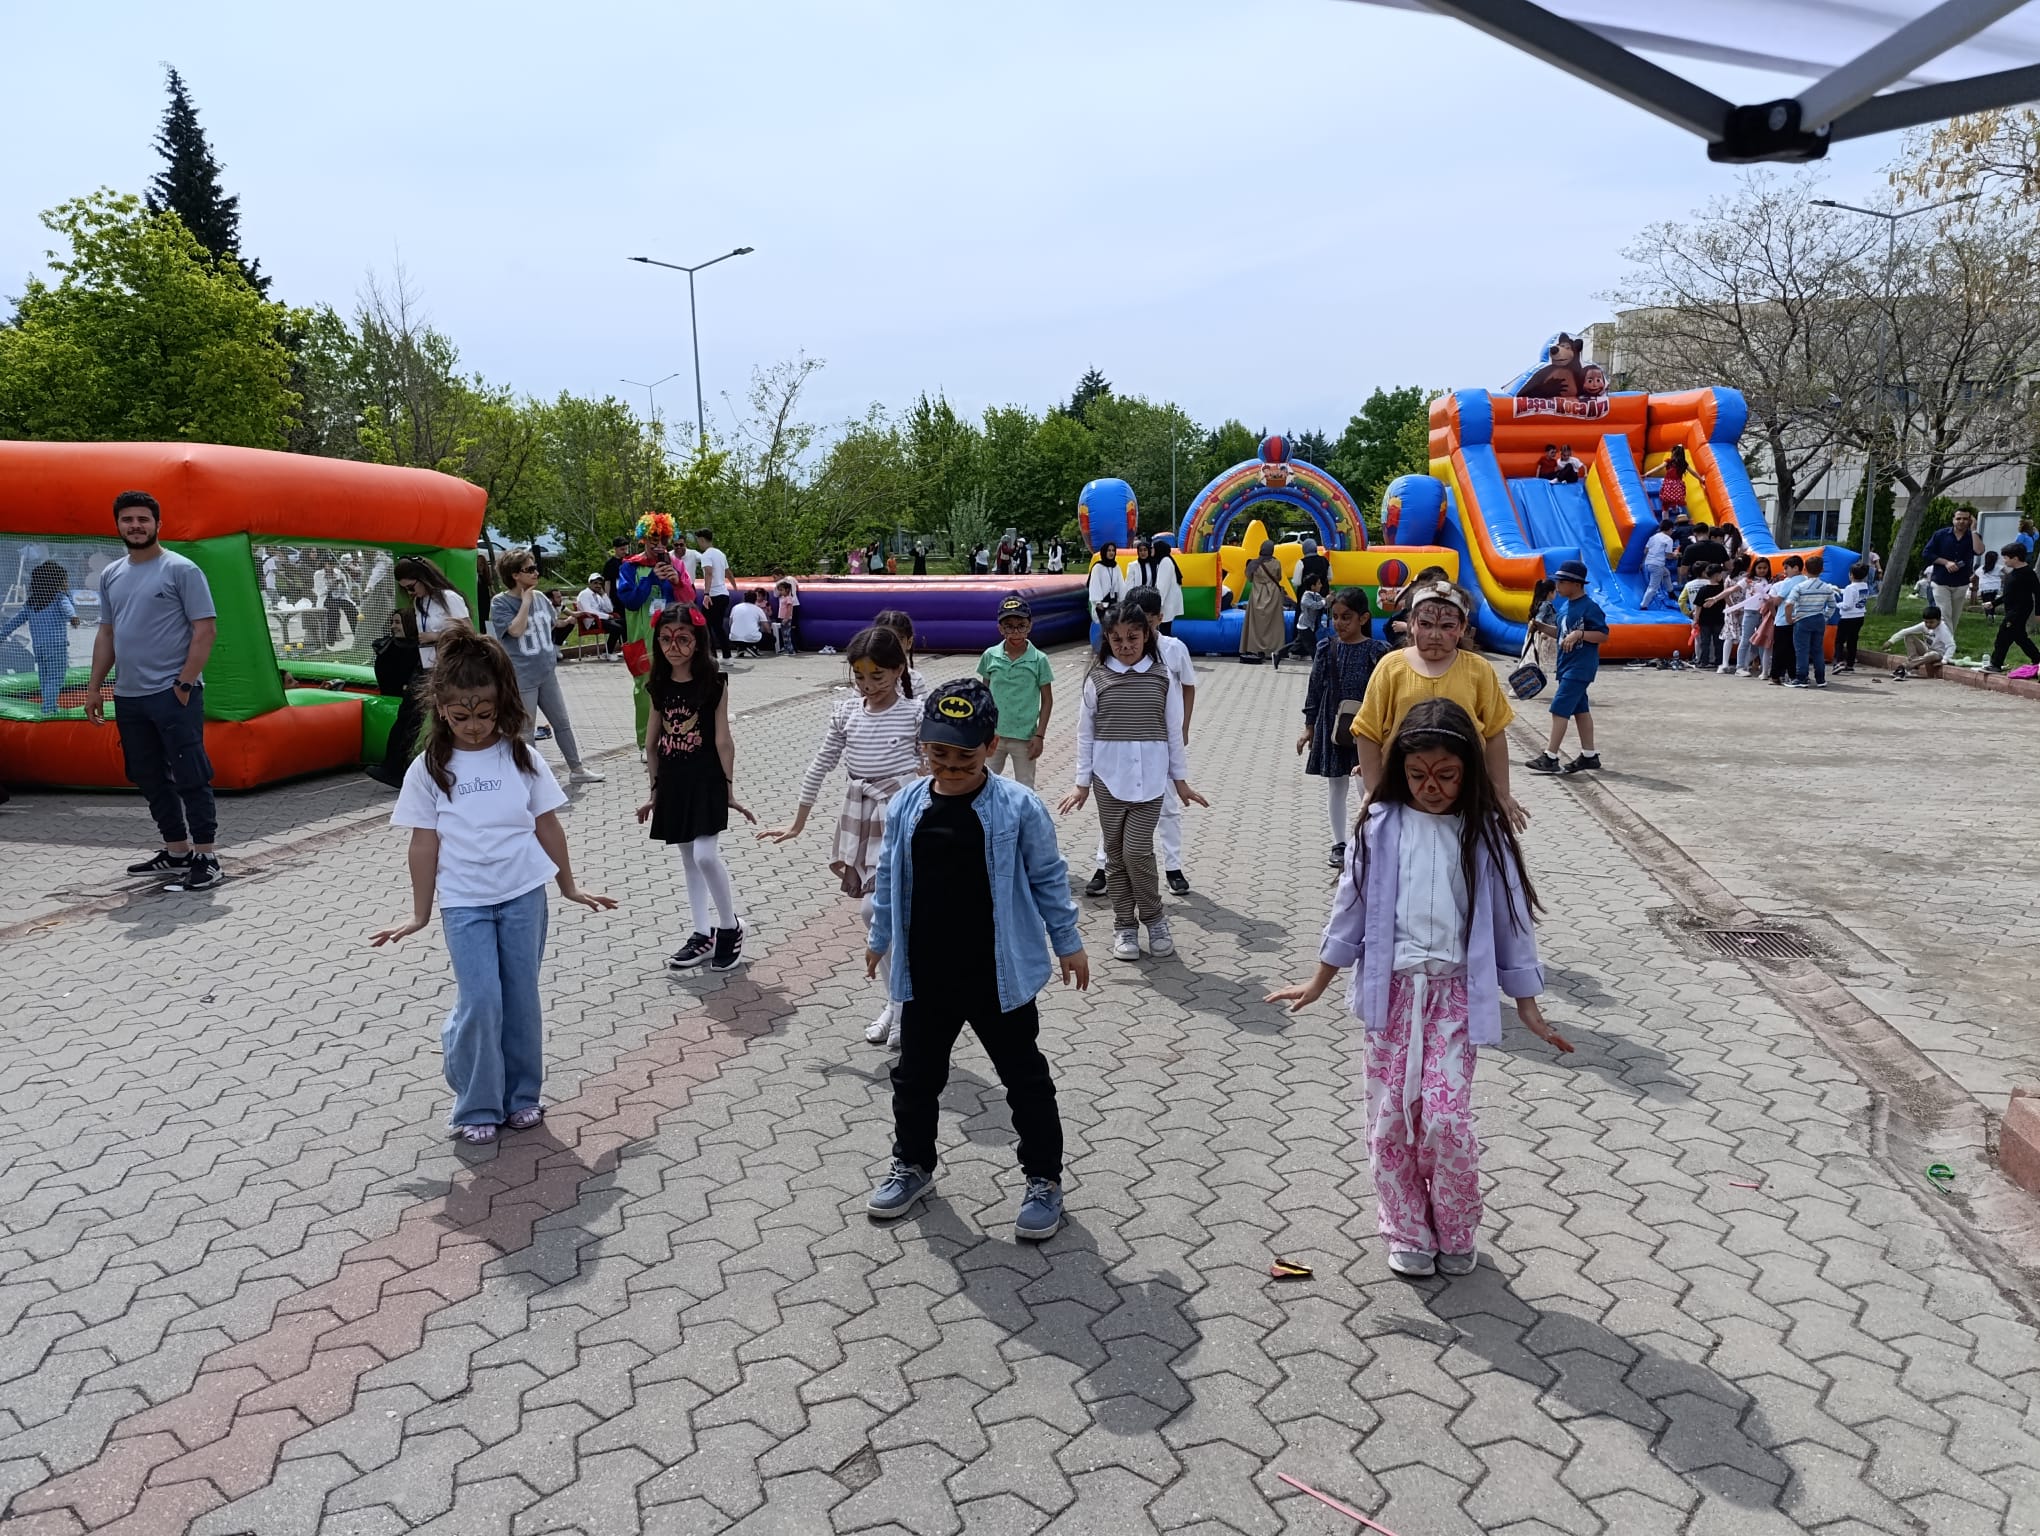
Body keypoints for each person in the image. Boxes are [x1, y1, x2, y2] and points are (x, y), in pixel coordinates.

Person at [1267, 698, 1571, 1278]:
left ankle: (1455, 1226)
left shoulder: (1485, 832)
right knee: (1390, 1120)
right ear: (1399, 770)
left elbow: (1512, 922)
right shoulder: (1380, 826)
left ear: (1469, 771)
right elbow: (1350, 907)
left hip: (1455, 999)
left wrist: (1528, 1007)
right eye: (1417, 775)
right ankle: (1407, 1228)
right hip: (1392, 998)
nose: (1431, 787)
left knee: (1446, 1119)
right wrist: (1319, 979)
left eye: (1447, 775)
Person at [371, 629, 616, 1144]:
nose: (474, 726)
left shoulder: (521, 756)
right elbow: (423, 844)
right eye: (461, 716)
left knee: (520, 998)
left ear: (501, 703)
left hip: (524, 894)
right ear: (441, 708)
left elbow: (548, 825)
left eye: (484, 714)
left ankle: (522, 1096)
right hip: (465, 903)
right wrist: (419, 913)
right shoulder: (429, 768)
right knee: (482, 1000)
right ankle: (476, 1102)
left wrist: (568, 886)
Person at [864, 677, 1088, 1237]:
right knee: (915, 1079)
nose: (950, 768)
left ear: (990, 746)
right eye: (937, 754)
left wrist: (1068, 941)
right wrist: (879, 936)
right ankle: (913, 1164)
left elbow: (1049, 877)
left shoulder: (1018, 806)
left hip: (998, 974)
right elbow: (888, 875)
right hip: (927, 972)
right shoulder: (907, 804)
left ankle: (1044, 1179)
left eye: (964, 757)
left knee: (1025, 1079)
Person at [759, 626, 923, 1048]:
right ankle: (896, 1003)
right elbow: (820, 764)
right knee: (876, 914)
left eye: (878, 676)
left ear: (898, 670)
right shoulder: (847, 711)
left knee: (881, 912)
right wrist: (797, 822)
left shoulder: (914, 713)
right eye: (860, 676)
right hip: (861, 816)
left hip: (902, 815)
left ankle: (907, 1004)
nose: (868, 685)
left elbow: (936, 768)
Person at [84, 492, 223, 888]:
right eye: (127, 520)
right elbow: (107, 633)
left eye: (143, 519)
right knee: (147, 775)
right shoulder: (112, 574)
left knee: (190, 773)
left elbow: (205, 630)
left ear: (158, 524)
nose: (135, 526)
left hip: (172, 693)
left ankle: (207, 856)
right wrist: (95, 687)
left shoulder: (181, 570)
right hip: (129, 696)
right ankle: (176, 851)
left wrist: (184, 683)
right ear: (117, 525)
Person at [1059, 601, 1208, 960]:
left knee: (1136, 852)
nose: (1125, 645)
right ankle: (1124, 924)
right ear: (1107, 639)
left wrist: (1181, 781)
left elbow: (1173, 732)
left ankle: (1154, 919)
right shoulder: (1096, 678)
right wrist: (1081, 783)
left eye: (1133, 637)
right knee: (1115, 856)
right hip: (1107, 783)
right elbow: (1085, 733)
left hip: (1152, 784)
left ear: (1147, 636)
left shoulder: (1161, 677)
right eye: (1117, 639)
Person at [1353, 580, 1528, 832]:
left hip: (1464, 790)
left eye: (1447, 626)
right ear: (1411, 624)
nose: (1435, 635)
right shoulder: (1390, 667)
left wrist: (1501, 792)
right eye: (1425, 624)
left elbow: (1494, 734)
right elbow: (1367, 731)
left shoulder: (1478, 669)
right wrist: (1373, 790)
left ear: (1463, 628)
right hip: (1403, 789)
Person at [638, 604, 754, 971]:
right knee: (689, 859)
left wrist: (729, 789)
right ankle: (702, 933)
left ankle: (730, 927)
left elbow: (723, 740)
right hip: (673, 782)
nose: (673, 647)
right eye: (666, 639)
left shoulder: (714, 683)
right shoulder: (658, 684)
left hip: (706, 780)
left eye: (682, 639)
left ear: (697, 641)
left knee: (705, 855)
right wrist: (654, 791)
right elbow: (651, 744)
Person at [1082, 584, 1199, 898]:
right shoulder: (1113, 658)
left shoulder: (1174, 649)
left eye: (1147, 620)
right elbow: (1088, 723)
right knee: (1114, 809)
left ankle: (1173, 867)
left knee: (1168, 805)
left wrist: (1183, 727)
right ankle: (1103, 865)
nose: (1139, 628)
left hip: (1157, 742)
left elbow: (1188, 687)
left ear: (1158, 618)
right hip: (1122, 744)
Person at [490, 548, 603, 783]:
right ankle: (530, 779)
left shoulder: (541, 598)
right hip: (522, 677)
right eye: (530, 569)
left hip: (546, 673)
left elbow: (550, 624)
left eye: (535, 567)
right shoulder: (500, 602)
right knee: (526, 731)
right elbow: (515, 630)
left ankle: (577, 770)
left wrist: (567, 621)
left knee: (562, 722)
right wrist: (525, 602)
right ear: (514, 575)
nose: (536, 573)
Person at [1299, 587, 1391, 870]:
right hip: (1332, 722)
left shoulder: (1378, 651)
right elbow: (1315, 687)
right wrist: (1309, 726)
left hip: (1367, 727)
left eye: (1346, 617)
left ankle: (1369, 840)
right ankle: (1339, 843)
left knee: (1367, 784)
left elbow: (1388, 692)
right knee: (1336, 784)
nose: (1339, 623)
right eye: (1335, 617)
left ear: (1364, 618)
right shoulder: (1326, 648)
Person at [615, 513, 695, 747]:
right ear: (643, 539)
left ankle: (676, 738)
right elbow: (629, 601)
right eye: (653, 538)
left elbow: (689, 600)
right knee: (644, 691)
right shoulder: (630, 566)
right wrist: (650, 579)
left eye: (663, 539)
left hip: (672, 640)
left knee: (677, 686)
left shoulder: (676, 565)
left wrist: (678, 582)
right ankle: (646, 743)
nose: (659, 544)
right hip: (642, 640)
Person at [1523, 560, 1608, 775]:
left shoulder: (1590, 607)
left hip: (1580, 667)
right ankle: (1589, 755)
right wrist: (1541, 626)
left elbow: (1602, 635)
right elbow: (1561, 634)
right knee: (1581, 710)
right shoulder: (1565, 607)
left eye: (1562, 582)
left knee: (1559, 708)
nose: (1557, 586)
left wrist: (1580, 634)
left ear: (1576, 584)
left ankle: (1550, 756)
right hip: (1566, 665)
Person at [977, 593, 1054, 790]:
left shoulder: (1039, 659)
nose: (1015, 632)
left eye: (1021, 626)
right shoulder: (990, 655)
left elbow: (1047, 700)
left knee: (1025, 787)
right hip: (995, 735)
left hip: (1025, 738)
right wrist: (982, 731)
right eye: (1009, 627)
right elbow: (984, 695)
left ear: (1030, 626)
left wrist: (1039, 736)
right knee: (983, 783)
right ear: (1000, 628)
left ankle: (1023, 813)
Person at [1, 560, 79, 715]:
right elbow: (68, 607)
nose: (67, 583)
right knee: (56, 678)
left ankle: (49, 705)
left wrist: (2, 634)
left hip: (39, 647)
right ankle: (49, 708)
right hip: (56, 646)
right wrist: (73, 616)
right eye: (65, 581)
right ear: (57, 583)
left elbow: (16, 620)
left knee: (45, 677)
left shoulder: (32, 603)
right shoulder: (59, 597)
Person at [1783, 553, 1838, 689]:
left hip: (1802, 619)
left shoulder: (1800, 587)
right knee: (1817, 650)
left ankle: (1801, 678)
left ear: (1805, 569)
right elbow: (1832, 605)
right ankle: (1821, 679)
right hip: (1819, 619)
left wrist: (1789, 619)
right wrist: (1825, 617)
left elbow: (1788, 604)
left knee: (1802, 650)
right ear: (1822, 570)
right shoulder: (1827, 587)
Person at [1923, 508, 1984, 629]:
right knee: (1945, 614)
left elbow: (1979, 551)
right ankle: (1947, 640)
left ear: (1970, 520)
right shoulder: (1940, 535)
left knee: (1954, 616)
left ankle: (1944, 638)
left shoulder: (1973, 536)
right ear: (1953, 520)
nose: (1961, 521)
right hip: (1941, 581)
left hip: (1961, 582)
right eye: (1958, 518)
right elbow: (1927, 553)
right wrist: (1946, 562)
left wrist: (1973, 530)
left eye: (1965, 519)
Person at [1987, 543, 2040, 674]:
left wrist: (2038, 612)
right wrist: (1994, 603)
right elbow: (2008, 594)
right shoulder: (2013, 573)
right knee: (2020, 637)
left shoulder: (2028, 573)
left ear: (2015, 558)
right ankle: (2037, 659)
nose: (2004, 561)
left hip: (2020, 610)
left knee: (2003, 636)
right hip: (2011, 609)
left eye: (2006, 558)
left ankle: (1996, 664)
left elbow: (2038, 593)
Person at [1239, 539, 1293, 666]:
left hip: (1257, 594)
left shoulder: (1253, 564)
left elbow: (1249, 578)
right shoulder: (1276, 563)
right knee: (1274, 624)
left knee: (1256, 624)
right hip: (1273, 595)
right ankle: (1273, 649)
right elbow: (1279, 577)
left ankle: (1255, 648)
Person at [689, 529, 732, 661]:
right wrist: (734, 585)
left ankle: (711, 655)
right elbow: (728, 572)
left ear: (702, 539)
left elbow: (708, 573)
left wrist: (706, 593)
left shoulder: (706, 555)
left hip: (713, 595)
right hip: (724, 594)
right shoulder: (721, 554)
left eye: (698, 540)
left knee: (704, 625)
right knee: (718, 626)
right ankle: (726, 655)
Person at [873, 609, 932, 697]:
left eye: (898, 640)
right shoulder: (867, 675)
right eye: (884, 640)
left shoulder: (915, 680)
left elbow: (924, 706)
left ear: (909, 642)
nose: (891, 646)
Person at [1133, 536, 1185, 634]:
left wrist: (1157, 606)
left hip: (1166, 606)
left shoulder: (1165, 562)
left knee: (1164, 631)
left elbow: (1162, 587)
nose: (1151, 550)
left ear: (1159, 549)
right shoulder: (1165, 560)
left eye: (1153, 548)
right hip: (1167, 605)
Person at [1889, 607, 1955, 679]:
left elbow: (1951, 646)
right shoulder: (1923, 625)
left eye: (1931, 622)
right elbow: (1906, 631)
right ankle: (1914, 663)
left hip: (1938, 654)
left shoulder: (1943, 630)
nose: (1928, 625)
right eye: (1926, 622)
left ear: (1939, 620)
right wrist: (1891, 641)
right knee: (1909, 636)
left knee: (1931, 654)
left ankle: (1905, 667)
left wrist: (1944, 660)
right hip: (1927, 650)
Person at [1738, 557, 1776, 678]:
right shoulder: (1748, 580)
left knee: (1763, 641)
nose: (1762, 570)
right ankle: (1740, 667)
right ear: (1754, 568)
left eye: (1765, 568)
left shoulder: (1770, 581)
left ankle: (1765, 669)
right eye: (1759, 568)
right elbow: (1734, 589)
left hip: (1764, 614)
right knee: (1745, 640)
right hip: (1750, 612)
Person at [1834, 561, 1873, 674]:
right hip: (1859, 616)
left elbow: (1847, 605)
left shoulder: (1850, 588)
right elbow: (1853, 594)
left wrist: (1836, 604)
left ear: (1851, 575)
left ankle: (1839, 662)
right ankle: (1850, 664)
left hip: (1847, 618)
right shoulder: (1864, 586)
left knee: (1839, 641)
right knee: (1852, 640)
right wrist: (1839, 590)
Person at [575, 574, 624, 658]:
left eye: (600, 583)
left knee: (624, 622)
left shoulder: (597, 595)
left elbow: (609, 609)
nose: (598, 585)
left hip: (601, 620)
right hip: (591, 621)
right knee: (617, 627)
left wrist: (604, 595)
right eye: (595, 583)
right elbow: (589, 611)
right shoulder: (584, 594)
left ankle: (625, 648)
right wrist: (607, 616)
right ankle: (607, 652)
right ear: (590, 583)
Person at [1640, 519, 1678, 611]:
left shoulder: (1653, 537)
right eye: (1672, 530)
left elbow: (1645, 550)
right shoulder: (1668, 539)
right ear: (1670, 529)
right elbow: (1668, 555)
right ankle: (1643, 605)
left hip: (1648, 563)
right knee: (1653, 587)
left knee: (1666, 573)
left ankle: (1670, 591)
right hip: (1657, 564)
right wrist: (1675, 555)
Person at [1291, 571, 1328, 659]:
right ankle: (1318, 661)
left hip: (1309, 625)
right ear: (1312, 586)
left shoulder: (1316, 595)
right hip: (1304, 625)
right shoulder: (1306, 597)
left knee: (1296, 644)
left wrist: (1329, 600)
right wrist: (1325, 601)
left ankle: (1278, 654)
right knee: (1312, 646)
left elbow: (1323, 603)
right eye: (1318, 583)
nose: (1321, 585)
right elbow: (1315, 605)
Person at [1087, 542, 1123, 624]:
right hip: (1102, 603)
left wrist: (1122, 600)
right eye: (1109, 550)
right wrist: (1097, 602)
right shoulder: (1098, 567)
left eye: (1113, 550)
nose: (1111, 553)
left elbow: (1121, 584)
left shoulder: (1116, 567)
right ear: (1104, 552)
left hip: (1114, 602)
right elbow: (1094, 584)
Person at [726, 589, 769, 658]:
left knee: (741, 637)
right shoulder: (758, 609)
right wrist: (769, 633)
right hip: (751, 638)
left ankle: (741, 648)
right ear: (755, 599)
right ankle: (752, 647)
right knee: (771, 639)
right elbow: (766, 626)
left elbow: (730, 623)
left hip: (734, 638)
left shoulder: (735, 607)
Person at [1657, 445, 1690, 527]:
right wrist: (1701, 479)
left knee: (1665, 504)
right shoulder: (1683, 464)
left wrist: (1647, 474)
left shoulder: (1669, 461)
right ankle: (1686, 519)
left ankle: (1665, 524)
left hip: (1668, 486)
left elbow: (1659, 468)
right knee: (1681, 502)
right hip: (1678, 487)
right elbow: (1693, 472)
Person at [1973, 549, 2004, 622]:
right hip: (1995, 587)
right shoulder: (1999, 567)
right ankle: (1991, 615)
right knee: (1992, 602)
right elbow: (2009, 572)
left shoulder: (1982, 568)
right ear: (1996, 559)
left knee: (1986, 602)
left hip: (1984, 587)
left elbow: (1974, 576)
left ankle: (1989, 615)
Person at [773, 579, 799, 656]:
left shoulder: (788, 598)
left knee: (787, 634)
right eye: (779, 590)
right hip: (782, 617)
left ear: (787, 590)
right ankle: (786, 648)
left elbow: (789, 609)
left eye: (781, 590)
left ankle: (791, 650)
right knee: (784, 634)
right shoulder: (782, 598)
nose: (780, 592)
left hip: (786, 618)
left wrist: (786, 618)